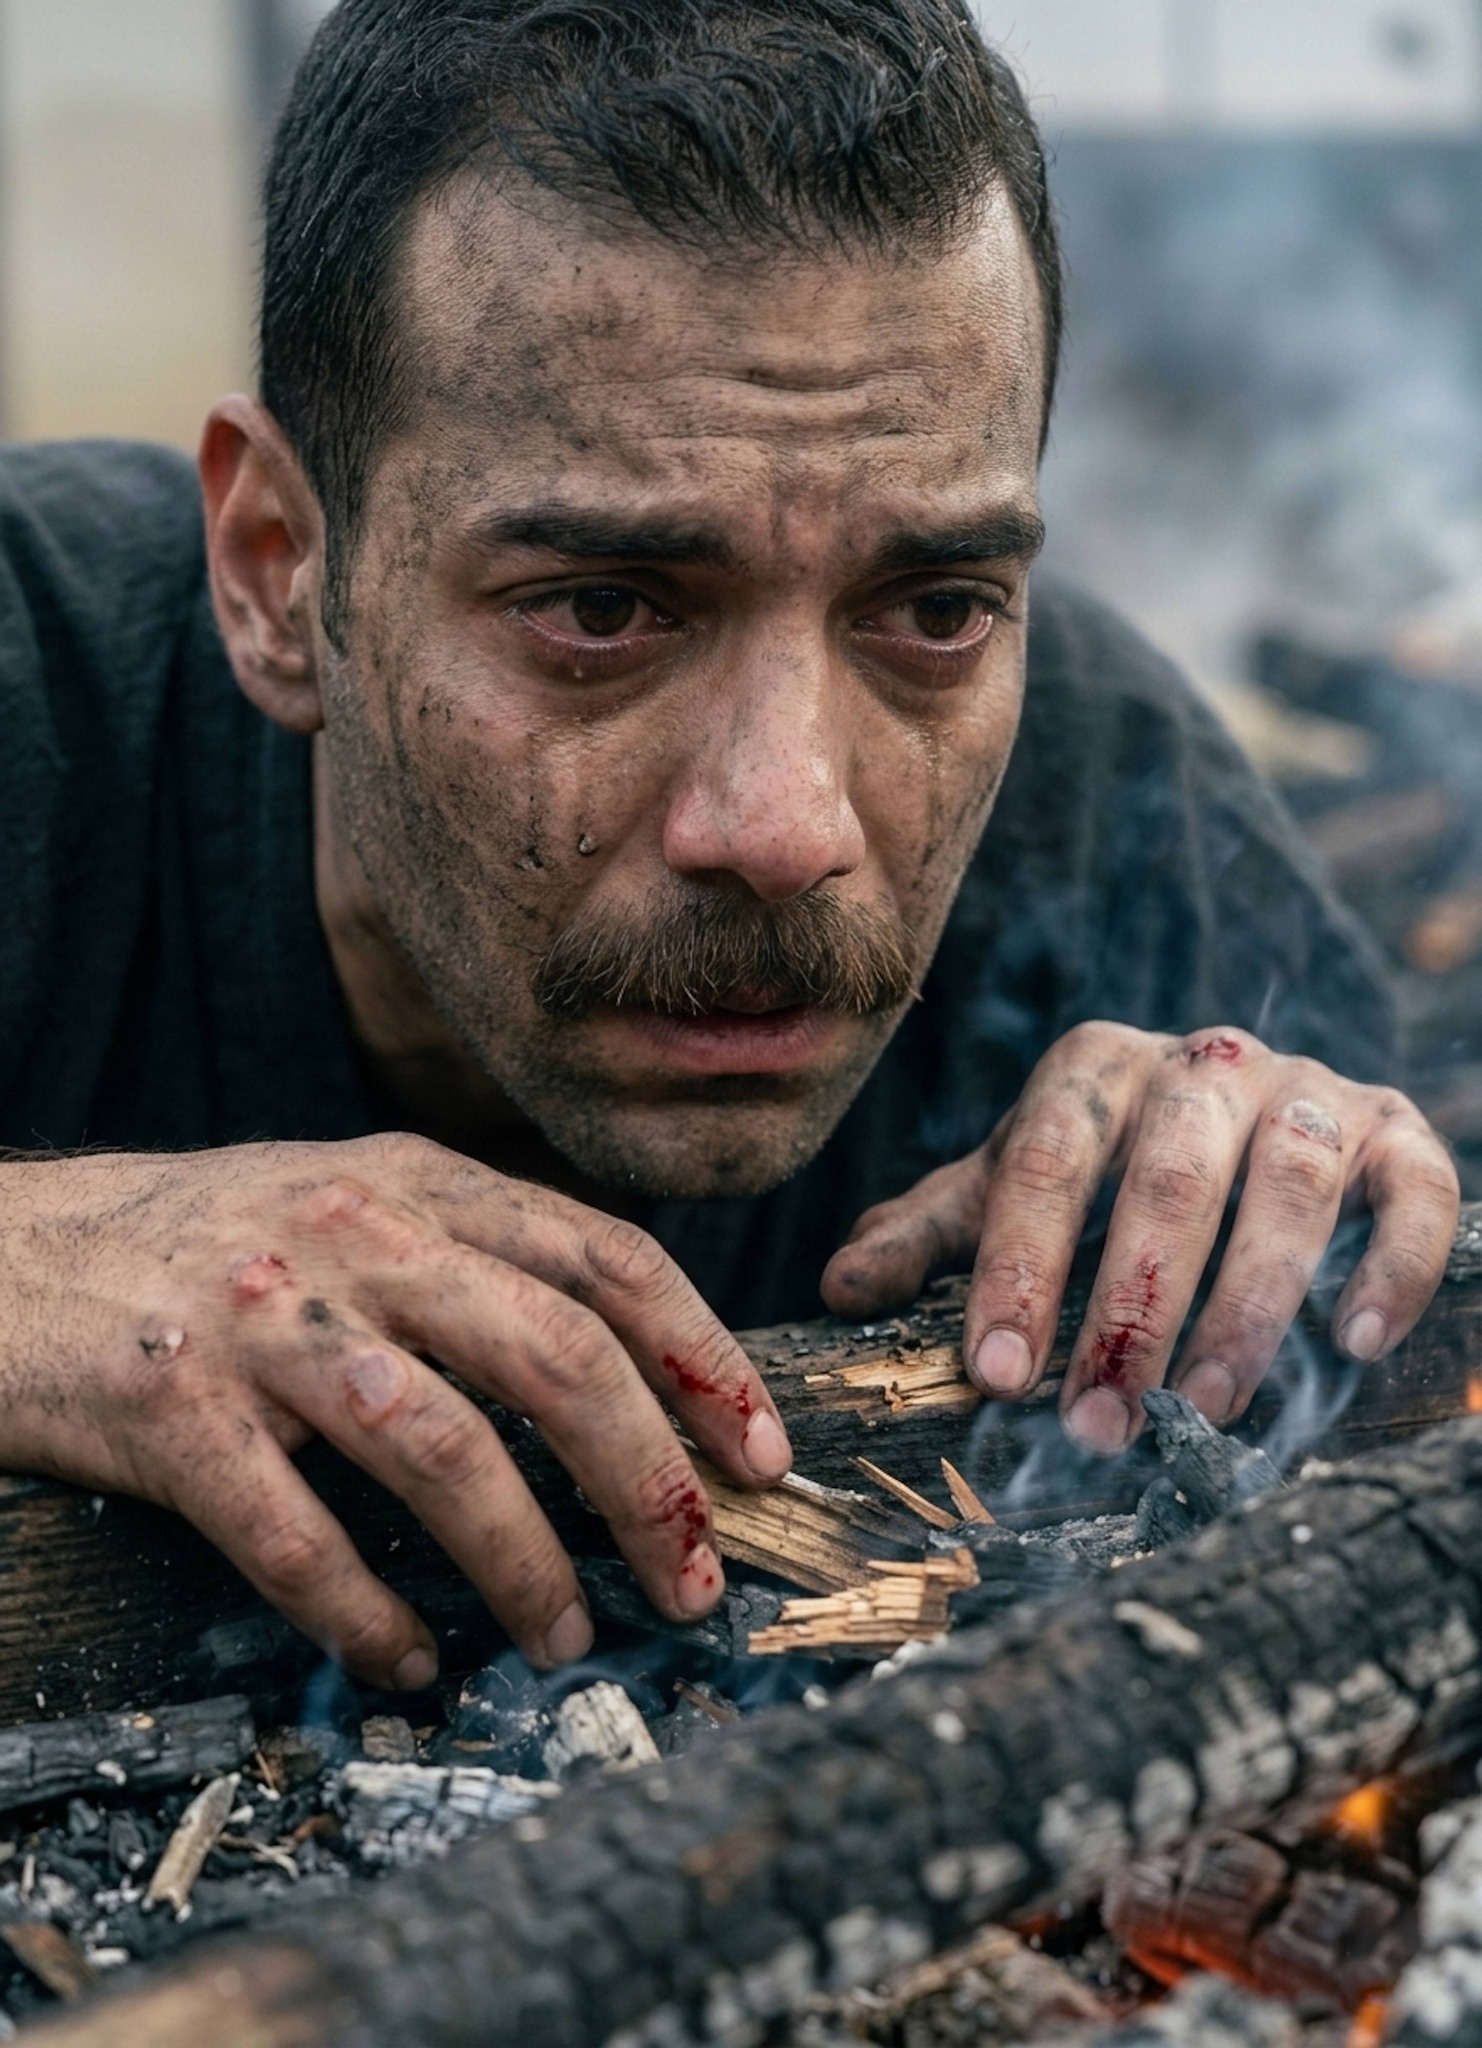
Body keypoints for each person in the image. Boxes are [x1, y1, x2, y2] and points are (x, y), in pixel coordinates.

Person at [0, 0, 1458, 1696]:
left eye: (929, 607)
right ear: (276, 572)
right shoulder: (33, 688)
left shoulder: (1108, 792)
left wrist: (1293, 1181)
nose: (785, 827)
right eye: (602, 610)